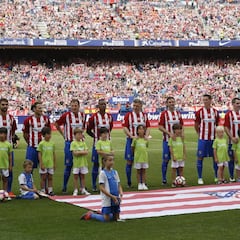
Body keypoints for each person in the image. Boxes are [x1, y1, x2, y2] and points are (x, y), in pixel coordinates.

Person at [55, 99, 86, 193]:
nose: (74, 107)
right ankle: (64, 186)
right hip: (69, 143)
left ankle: (82, 187)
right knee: (68, 165)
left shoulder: (83, 115)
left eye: (75, 105)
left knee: (81, 165)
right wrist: (63, 134)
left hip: (80, 144)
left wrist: (81, 135)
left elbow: (84, 126)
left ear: (78, 106)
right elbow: (56, 124)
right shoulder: (66, 116)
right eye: (72, 106)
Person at [81, 154, 124, 222]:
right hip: (107, 197)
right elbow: (101, 188)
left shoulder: (115, 172)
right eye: (110, 160)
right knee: (106, 220)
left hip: (116, 197)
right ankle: (91, 215)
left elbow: (118, 184)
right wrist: (111, 196)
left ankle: (102, 213)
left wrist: (121, 193)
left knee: (116, 218)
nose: (112, 162)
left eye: (113, 160)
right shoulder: (102, 173)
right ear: (104, 162)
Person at [122, 99, 150, 188]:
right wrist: (131, 136)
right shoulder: (128, 115)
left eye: (137, 106)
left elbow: (148, 127)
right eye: (134, 106)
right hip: (131, 141)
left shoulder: (144, 116)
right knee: (129, 161)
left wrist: (146, 136)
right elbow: (125, 127)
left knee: (142, 161)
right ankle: (129, 182)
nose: (135, 107)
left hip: (141, 141)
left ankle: (143, 182)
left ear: (141, 106)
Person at [87, 99, 113, 191]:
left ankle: (107, 184)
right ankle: (94, 185)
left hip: (107, 145)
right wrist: (95, 137)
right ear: (98, 106)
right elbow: (88, 130)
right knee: (96, 164)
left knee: (107, 164)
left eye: (104, 104)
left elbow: (110, 128)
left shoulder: (109, 117)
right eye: (101, 104)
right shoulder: (93, 117)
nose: (103, 106)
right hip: (97, 145)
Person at [195, 94, 220, 184]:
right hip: (203, 139)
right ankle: (200, 177)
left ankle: (217, 177)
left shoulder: (216, 112)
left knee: (215, 158)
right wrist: (199, 134)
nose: (205, 102)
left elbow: (217, 124)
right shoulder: (199, 112)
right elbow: (196, 124)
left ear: (210, 100)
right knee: (200, 157)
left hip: (213, 139)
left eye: (206, 100)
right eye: (204, 100)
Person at [159, 97, 184, 185]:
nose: (172, 103)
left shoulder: (178, 114)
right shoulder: (164, 114)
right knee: (166, 160)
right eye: (170, 102)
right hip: (167, 141)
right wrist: (169, 133)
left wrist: (182, 134)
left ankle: (178, 179)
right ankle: (164, 179)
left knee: (178, 159)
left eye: (173, 102)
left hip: (177, 142)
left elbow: (182, 125)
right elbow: (160, 127)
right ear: (167, 104)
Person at [22, 102, 51, 170]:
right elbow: (25, 134)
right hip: (32, 147)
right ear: (34, 109)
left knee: (45, 169)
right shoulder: (28, 120)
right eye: (39, 108)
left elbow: (49, 132)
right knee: (29, 168)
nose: (41, 110)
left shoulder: (46, 119)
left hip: (44, 148)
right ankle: (29, 180)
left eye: (42, 108)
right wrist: (30, 143)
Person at [0, 98, 17, 194]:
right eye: (3, 104)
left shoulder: (11, 118)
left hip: (8, 148)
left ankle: (8, 191)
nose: (5, 106)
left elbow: (13, 132)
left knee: (9, 170)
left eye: (6, 104)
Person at [224, 97, 240, 182]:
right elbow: (226, 127)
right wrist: (232, 137)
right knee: (232, 159)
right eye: (237, 103)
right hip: (232, 141)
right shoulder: (229, 115)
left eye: (239, 103)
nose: (239, 105)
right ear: (233, 104)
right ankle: (231, 177)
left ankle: (238, 177)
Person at [71, 128, 90, 196]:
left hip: (83, 162)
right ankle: (75, 189)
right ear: (75, 135)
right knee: (75, 177)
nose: (80, 136)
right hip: (76, 163)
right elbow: (74, 153)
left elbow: (87, 151)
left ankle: (83, 189)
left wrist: (79, 152)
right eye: (78, 134)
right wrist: (82, 152)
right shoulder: (73, 143)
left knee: (83, 176)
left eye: (81, 134)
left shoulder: (83, 143)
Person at [37, 126, 56, 195]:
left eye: (50, 134)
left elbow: (53, 154)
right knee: (43, 177)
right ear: (44, 135)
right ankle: (43, 190)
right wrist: (41, 163)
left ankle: (50, 190)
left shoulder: (52, 143)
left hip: (50, 163)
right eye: (47, 134)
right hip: (44, 163)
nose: (49, 136)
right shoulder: (41, 144)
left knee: (50, 177)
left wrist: (54, 163)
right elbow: (39, 154)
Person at [131, 125, 149, 190]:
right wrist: (134, 155)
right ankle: (139, 184)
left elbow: (146, 147)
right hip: (138, 158)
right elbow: (132, 148)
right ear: (137, 131)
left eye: (142, 129)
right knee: (138, 171)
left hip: (144, 158)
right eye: (139, 129)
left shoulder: (145, 139)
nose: (141, 131)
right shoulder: (135, 139)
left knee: (144, 171)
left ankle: (143, 183)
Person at [168, 123, 186, 188]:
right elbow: (170, 148)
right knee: (174, 169)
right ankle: (173, 181)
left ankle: (182, 181)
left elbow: (184, 146)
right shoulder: (172, 138)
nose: (179, 131)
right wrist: (173, 156)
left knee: (181, 169)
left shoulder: (182, 138)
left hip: (181, 156)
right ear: (174, 130)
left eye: (180, 129)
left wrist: (184, 154)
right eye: (177, 129)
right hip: (175, 156)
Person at [0, 127, 13, 192]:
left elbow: (10, 156)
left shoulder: (8, 144)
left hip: (5, 165)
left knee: (5, 179)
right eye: (0, 133)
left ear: (6, 135)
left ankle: (5, 192)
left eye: (3, 133)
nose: (1, 135)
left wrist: (10, 165)